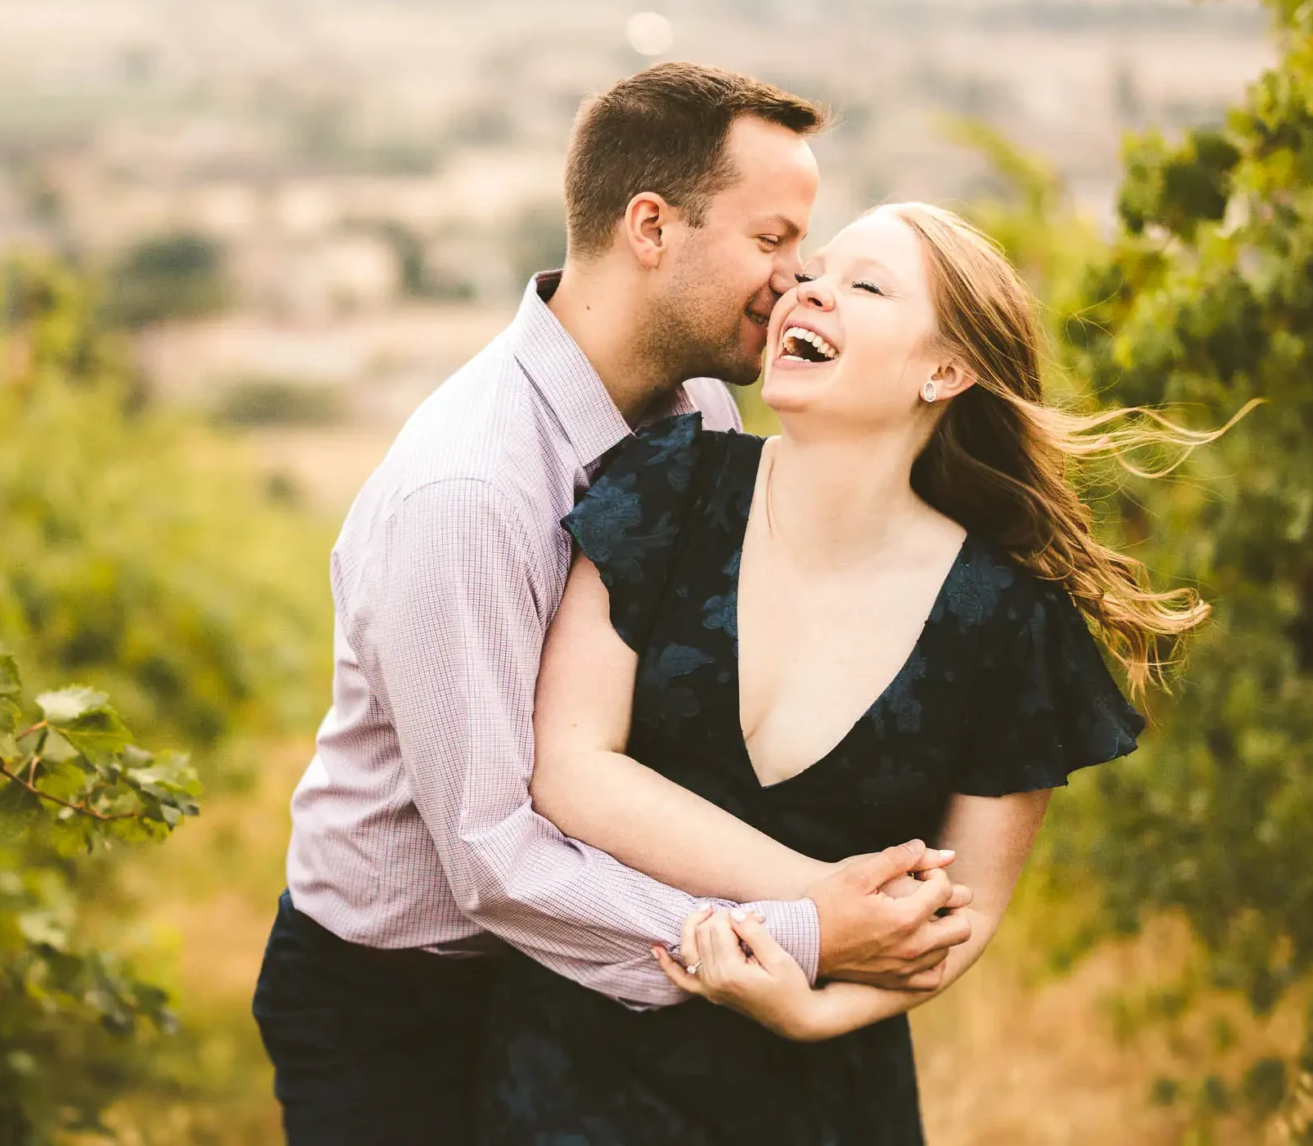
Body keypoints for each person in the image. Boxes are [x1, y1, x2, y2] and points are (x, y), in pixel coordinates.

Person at [252, 65, 978, 1145]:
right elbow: (494, 857)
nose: (796, 282)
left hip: (569, 973)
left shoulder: (701, 412)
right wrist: (800, 928)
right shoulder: (472, 493)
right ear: (650, 226)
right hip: (401, 993)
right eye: (773, 240)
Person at [475, 200, 1223, 1144]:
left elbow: (965, 913)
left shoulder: (1007, 620)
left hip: (822, 1100)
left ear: (945, 370)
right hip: (580, 1072)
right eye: (812, 273)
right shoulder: (668, 485)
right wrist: (816, 903)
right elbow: (571, 768)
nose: (808, 292)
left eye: (862, 286)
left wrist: (814, 1011)